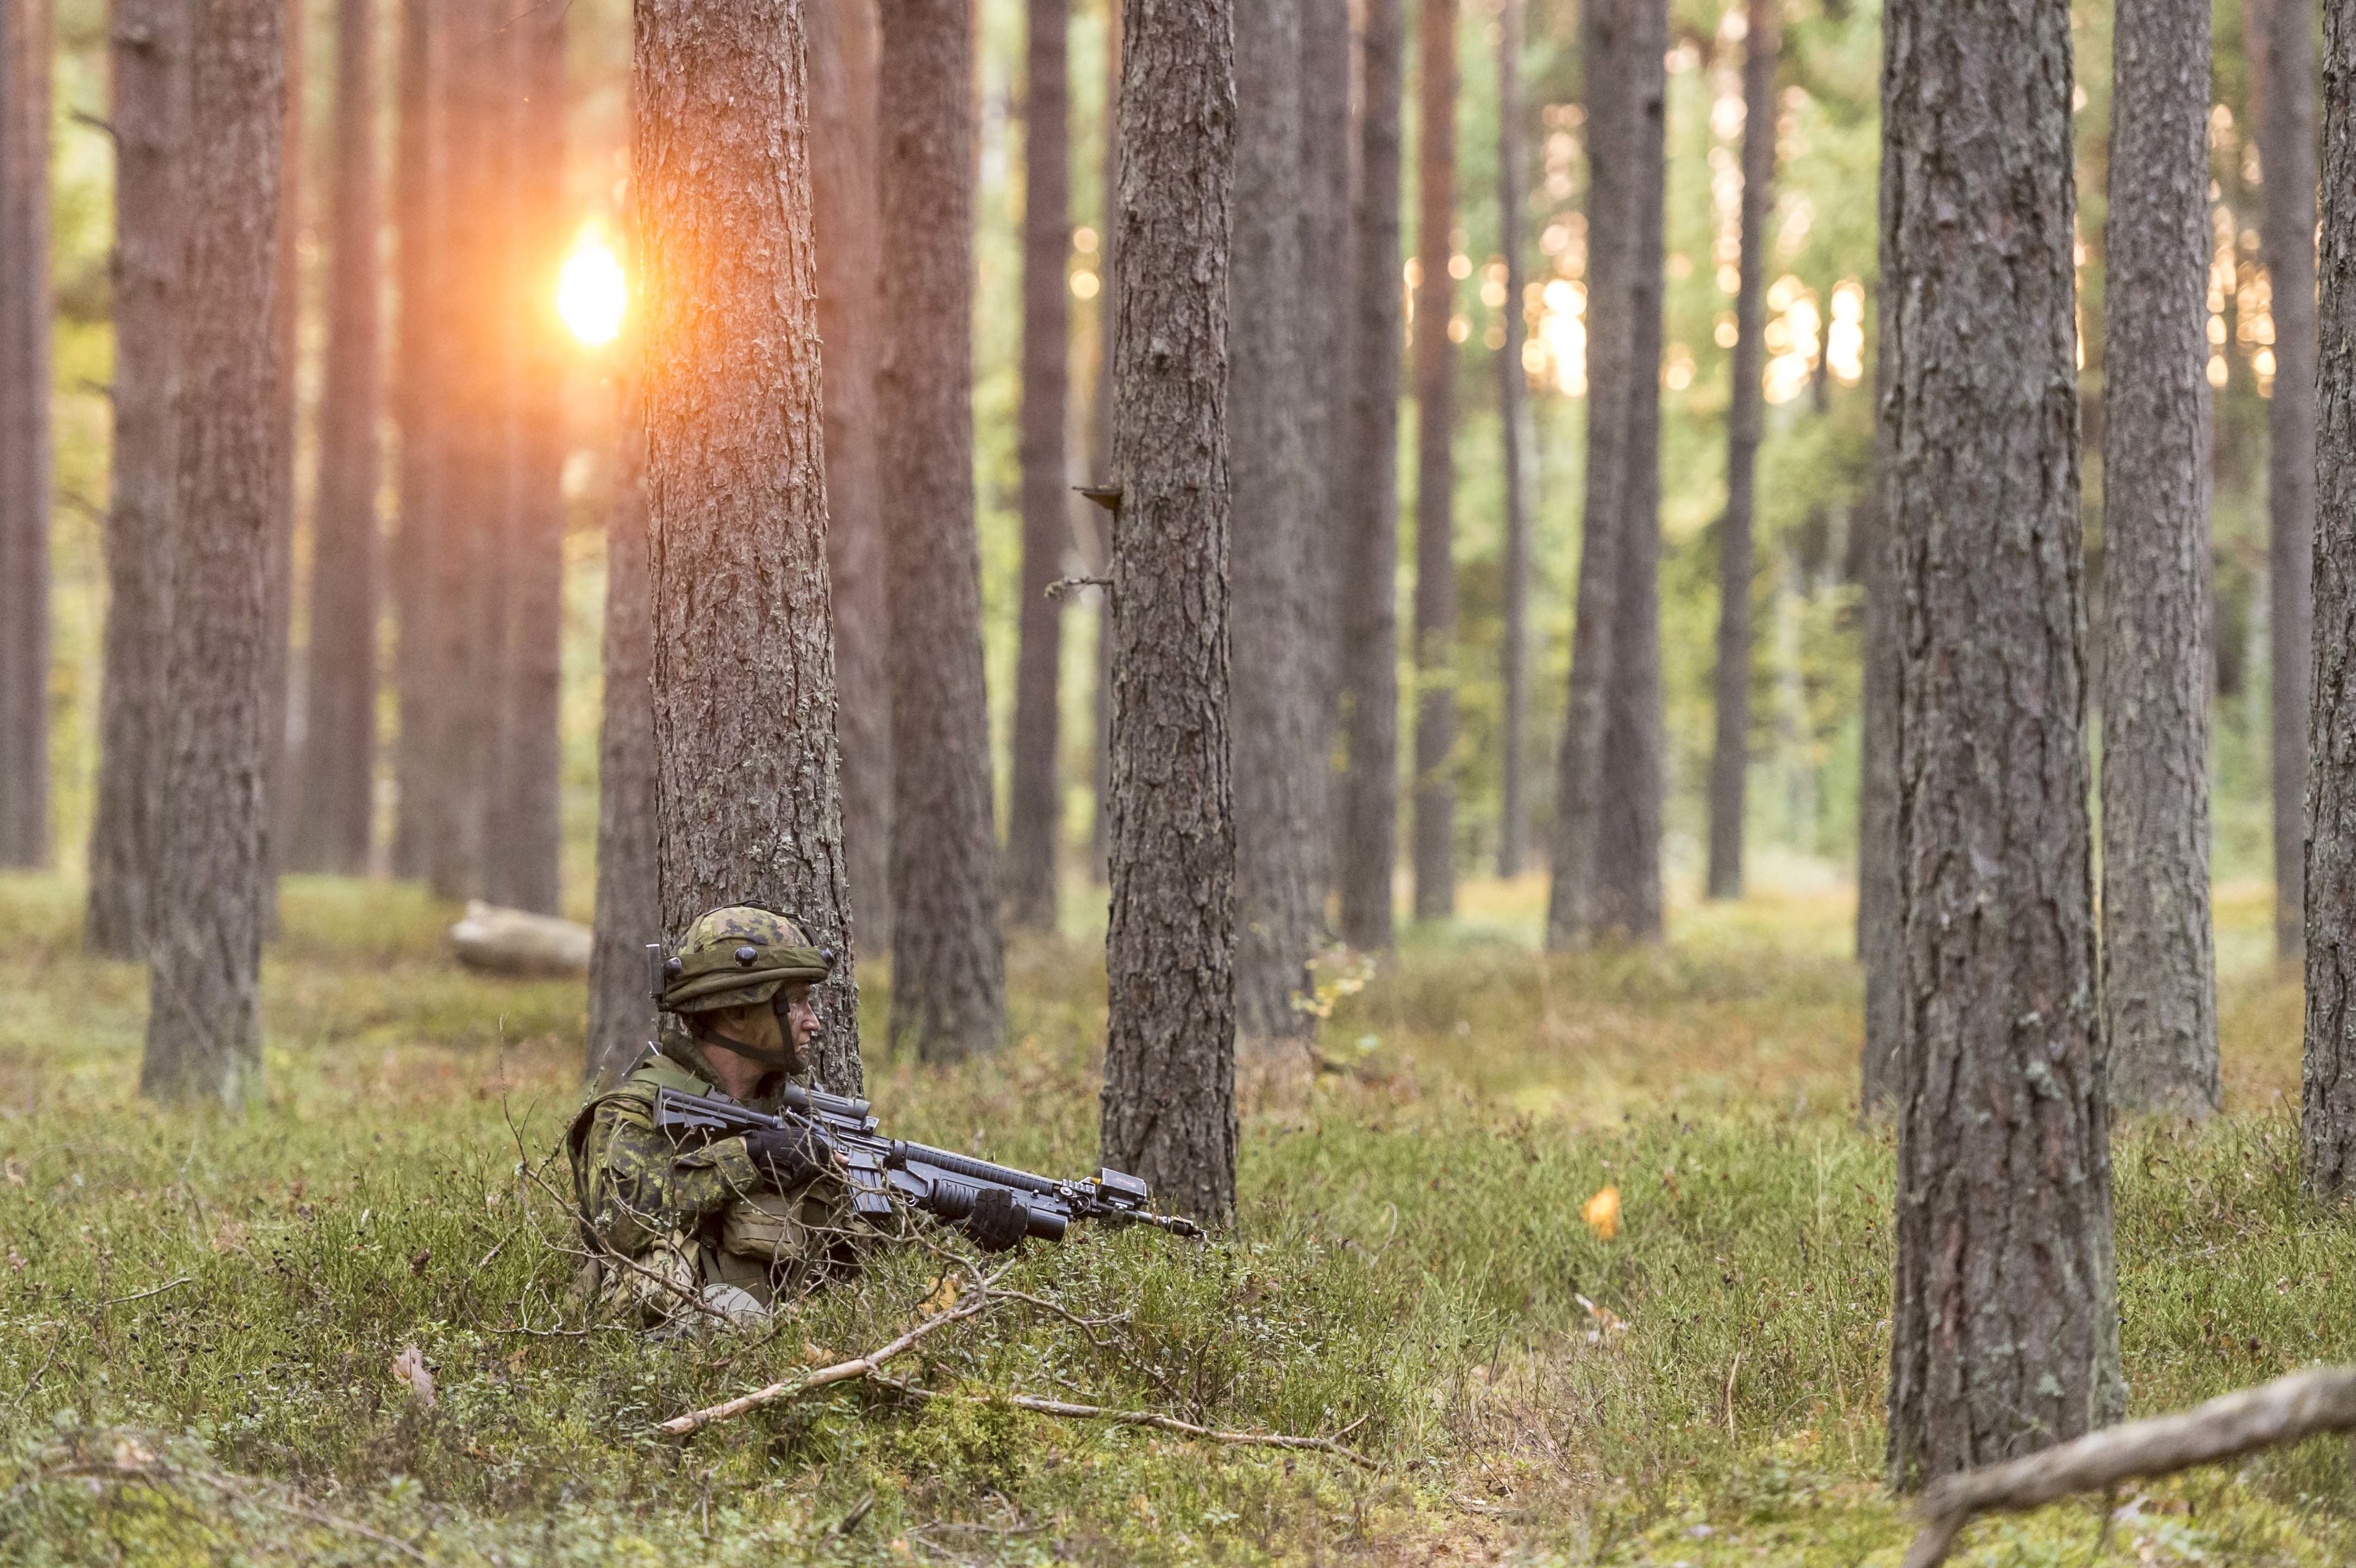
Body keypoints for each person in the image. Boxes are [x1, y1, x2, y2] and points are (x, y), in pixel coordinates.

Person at [566, 903, 1028, 1331]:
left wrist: (964, 1224)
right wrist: (748, 1155)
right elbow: (619, 1222)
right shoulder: (633, 1111)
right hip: (665, 1368)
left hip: (785, 1356)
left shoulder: (799, 1117)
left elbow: (869, 1240)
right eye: (797, 1002)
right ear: (737, 1011)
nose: (815, 1022)